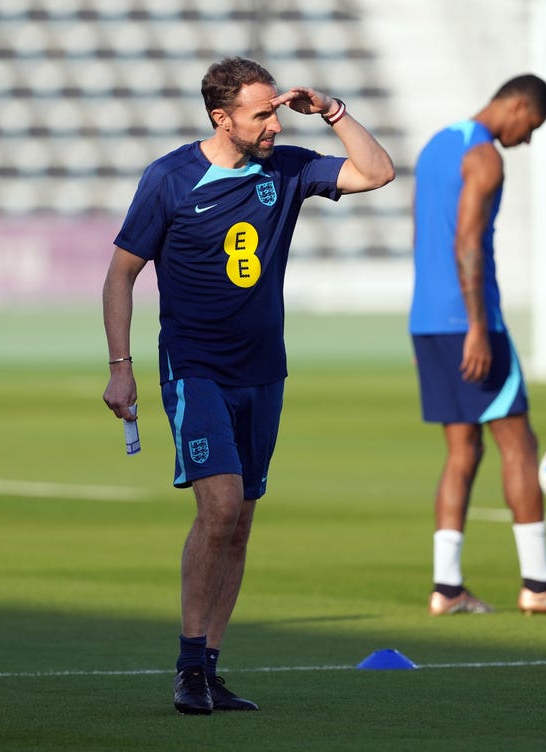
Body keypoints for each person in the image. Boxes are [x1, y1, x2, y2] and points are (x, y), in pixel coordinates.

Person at [102, 56, 394, 715]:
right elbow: (120, 275)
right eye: (262, 114)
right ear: (221, 118)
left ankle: (209, 669)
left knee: (240, 523)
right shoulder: (170, 178)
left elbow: (377, 172)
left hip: (264, 371)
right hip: (195, 368)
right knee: (221, 507)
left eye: (276, 112)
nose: (274, 124)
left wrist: (333, 111)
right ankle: (187, 667)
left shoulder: (286, 168)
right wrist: (121, 366)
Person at [409, 73, 546, 617]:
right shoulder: (486, 157)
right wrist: (476, 325)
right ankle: (539, 583)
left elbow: (424, 234)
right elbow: (467, 242)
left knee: (463, 450)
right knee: (520, 442)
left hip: (427, 319)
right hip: (470, 322)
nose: (529, 138)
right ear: (516, 106)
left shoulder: (436, 145)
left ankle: (447, 588)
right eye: (532, 125)